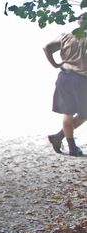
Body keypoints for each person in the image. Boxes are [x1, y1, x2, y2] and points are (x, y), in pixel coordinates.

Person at [43, 20, 87, 156]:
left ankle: (67, 144)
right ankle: (63, 140)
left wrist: (55, 64)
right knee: (84, 114)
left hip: (65, 77)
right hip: (81, 80)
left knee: (68, 113)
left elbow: (46, 48)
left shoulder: (67, 36)